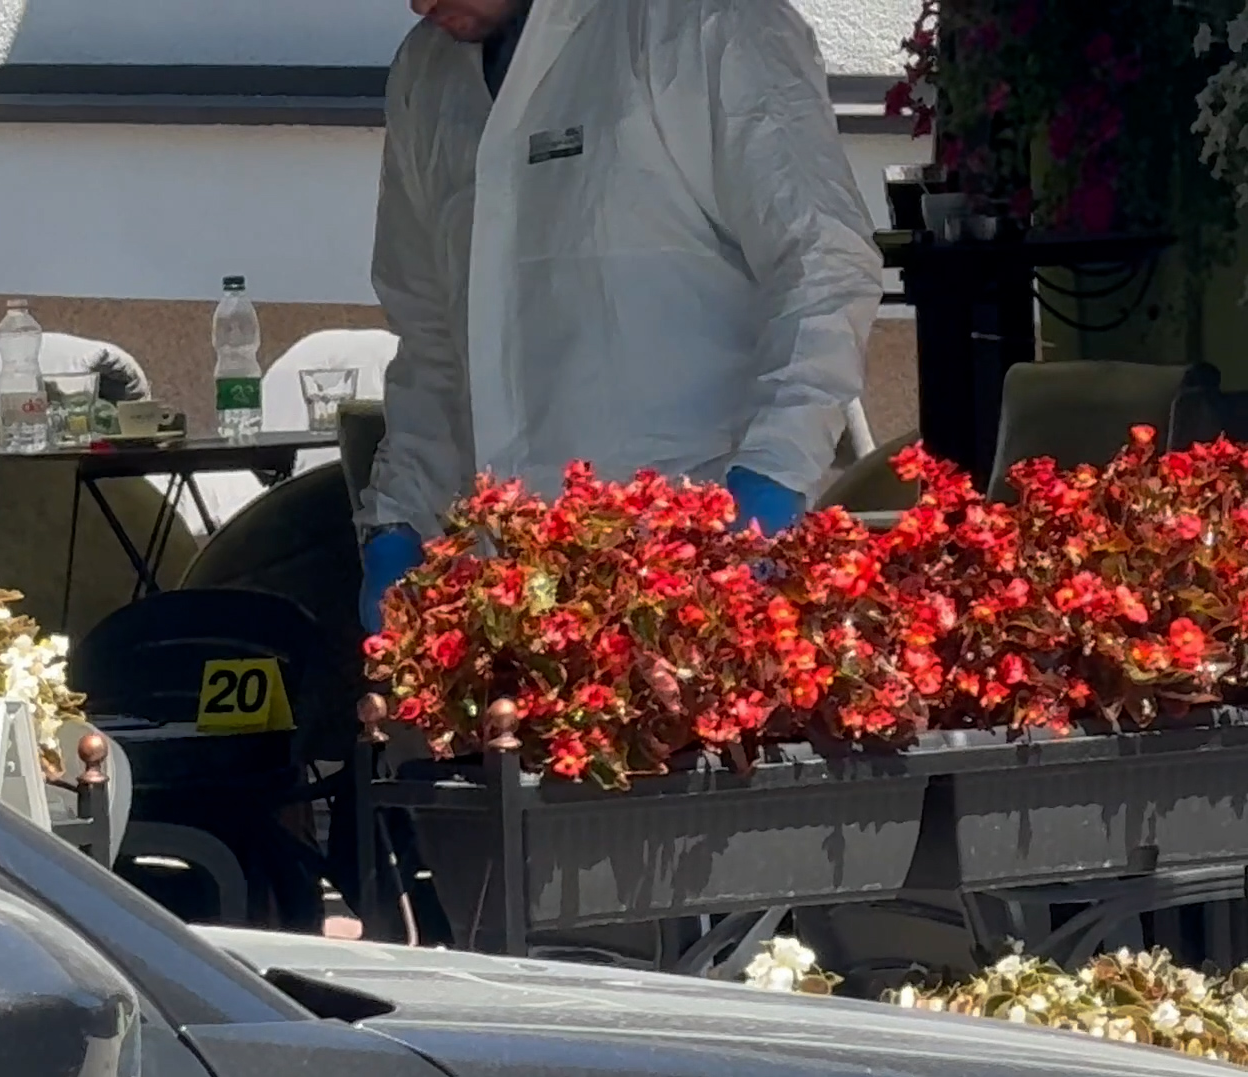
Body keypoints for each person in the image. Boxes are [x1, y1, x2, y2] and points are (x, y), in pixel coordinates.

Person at [357, 0, 883, 632]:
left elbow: (824, 266)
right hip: (508, 604)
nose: (418, 3)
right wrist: (401, 519)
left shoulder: (703, 21)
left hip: (696, 589)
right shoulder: (425, 76)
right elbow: (431, 340)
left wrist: (772, 477)